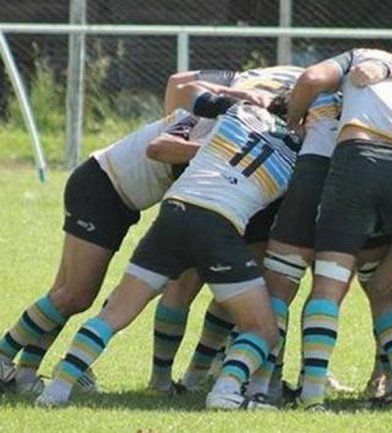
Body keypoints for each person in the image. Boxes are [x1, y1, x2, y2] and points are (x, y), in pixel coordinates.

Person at [35, 91, 299, 410]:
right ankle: (226, 391)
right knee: (263, 329)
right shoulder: (304, 154)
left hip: (173, 211)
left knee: (114, 313)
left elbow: (202, 100)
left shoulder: (239, 111)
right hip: (219, 225)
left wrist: (242, 97)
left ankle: (56, 390)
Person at [0, 105, 214, 395]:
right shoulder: (219, 123)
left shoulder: (221, 116)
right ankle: (3, 355)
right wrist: (212, 149)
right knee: (75, 295)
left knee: (65, 295)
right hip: (102, 190)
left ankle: (25, 374)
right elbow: (159, 147)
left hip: (112, 196)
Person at [286, 44, 392, 410]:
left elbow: (312, 77)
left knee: (328, 283)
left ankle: (312, 395)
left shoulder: (363, 60)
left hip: (354, 160)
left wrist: (294, 118)